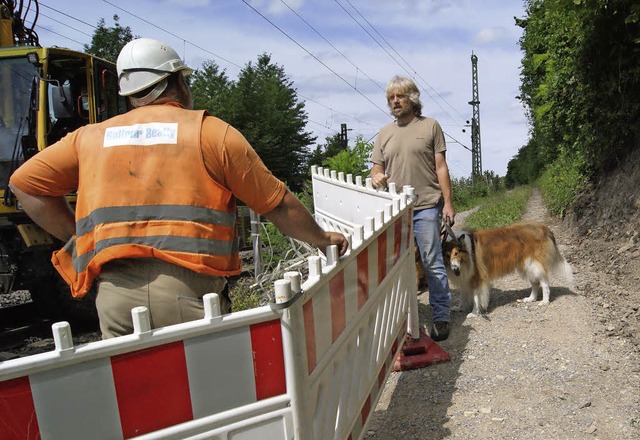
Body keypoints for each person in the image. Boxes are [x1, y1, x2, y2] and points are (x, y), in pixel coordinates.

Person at [9, 38, 348, 339]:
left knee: (138, 401)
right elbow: (277, 204)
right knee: (211, 399)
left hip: (114, 295)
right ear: (177, 83)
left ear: (129, 93)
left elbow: (25, 186)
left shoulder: (91, 138)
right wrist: (322, 239)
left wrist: (82, 237)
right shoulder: (210, 133)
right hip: (188, 291)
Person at [370, 75, 455, 342]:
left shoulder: (430, 127)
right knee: (396, 266)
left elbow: (441, 167)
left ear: (412, 99)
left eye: (400, 96)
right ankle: (403, 318)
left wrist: (449, 203)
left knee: (431, 261)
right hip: (397, 211)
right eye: (391, 98)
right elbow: (376, 167)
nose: (395, 101)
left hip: (427, 205)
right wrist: (375, 176)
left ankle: (441, 316)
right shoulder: (384, 133)